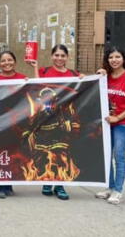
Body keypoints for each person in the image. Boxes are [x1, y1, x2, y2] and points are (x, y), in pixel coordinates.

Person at [30, 44, 83, 201]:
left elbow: (84, 87)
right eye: (56, 55)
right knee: (43, 154)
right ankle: (47, 182)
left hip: (62, 120)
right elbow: (35, 86)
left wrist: (88, 78)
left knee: (61, 154)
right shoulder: (44, 72)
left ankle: (60, 185)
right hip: (44, 121)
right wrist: (35, 67)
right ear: (52, 56)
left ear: (67, 57)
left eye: (62, 55)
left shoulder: (73, 73)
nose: (59, 58)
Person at [94, 47, 125, 205]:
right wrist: (98, 76)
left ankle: (118, 190)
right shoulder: (105, 77)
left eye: (118, 56)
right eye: (111, 57)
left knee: (119, 156)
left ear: (124, 59)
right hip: (108, 122)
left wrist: (118, 117)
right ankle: (110, 186)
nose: (114, 60)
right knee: (106, 155)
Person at [0, 51, 27, 199]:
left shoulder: (23, 79)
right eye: (3, 61)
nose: (7, 63)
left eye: (10, 60)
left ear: (15, 62)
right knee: (0, 155)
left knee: (12, 154)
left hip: (16, 123)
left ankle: (8, 184)